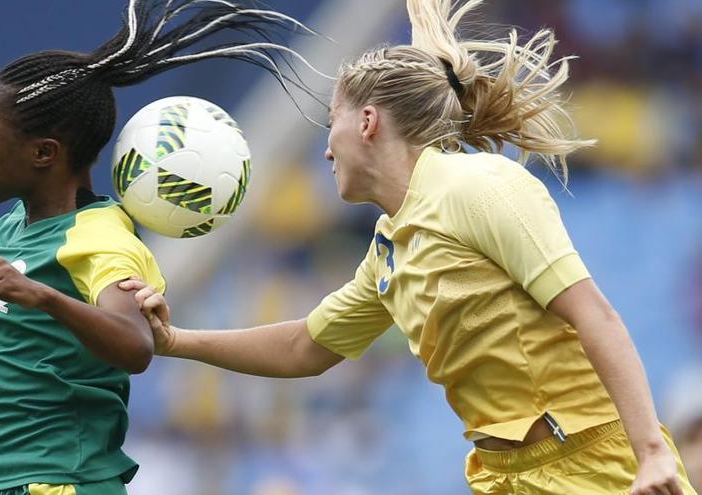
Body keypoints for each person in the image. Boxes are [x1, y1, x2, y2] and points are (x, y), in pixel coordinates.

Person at [119, 0, 698, 493]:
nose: (326, 151)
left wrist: (651, 450)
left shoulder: (479, 186)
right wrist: (174, 341)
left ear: (368, 121)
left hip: (595, 463)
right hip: (502, 475)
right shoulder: (391, 245)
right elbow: (304, 346)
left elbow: (593, 312)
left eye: (331, 124)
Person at [0, 1, 320, 494]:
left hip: (57, 483)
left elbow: (134, 345)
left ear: (43, 153)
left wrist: (43, 296)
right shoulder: (20, 228)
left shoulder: (100, 239)